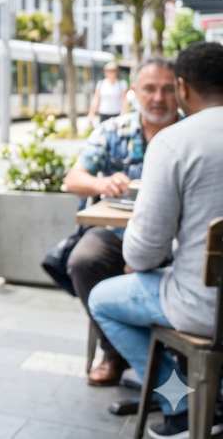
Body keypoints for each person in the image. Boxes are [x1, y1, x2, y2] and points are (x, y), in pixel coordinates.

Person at [89, 42, 223, 439]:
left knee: (102, 300)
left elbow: (142, 253)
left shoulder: (176, 142)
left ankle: (184, 406)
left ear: (183, 88)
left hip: (205, 307)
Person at [62, 56, 179, 386]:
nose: (158, 98)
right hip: (118, 231)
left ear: (182, 91)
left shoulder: (188, 132)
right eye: (150, 89)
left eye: (168, 89)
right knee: (84, 261)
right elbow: (73, 179)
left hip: (177, 238)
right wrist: (102, 184)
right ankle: (114, 352)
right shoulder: (114, 129)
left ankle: (172, 372)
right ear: (134, 92)